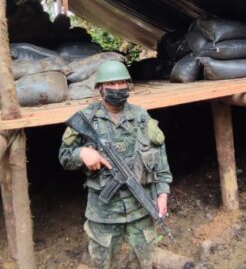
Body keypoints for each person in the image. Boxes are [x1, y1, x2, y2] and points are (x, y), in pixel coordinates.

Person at [59, 61, 172, 269]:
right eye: (112, 83)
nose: (119, 88)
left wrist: (162, 193)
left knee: (145, 261)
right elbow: (64, 155)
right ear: (100, 88)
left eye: (122, 82)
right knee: (103, 263)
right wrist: (82, 152)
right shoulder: (87, 118)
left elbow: (160, 159)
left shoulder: (140, 116)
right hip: (103, 214)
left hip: (141, 209)